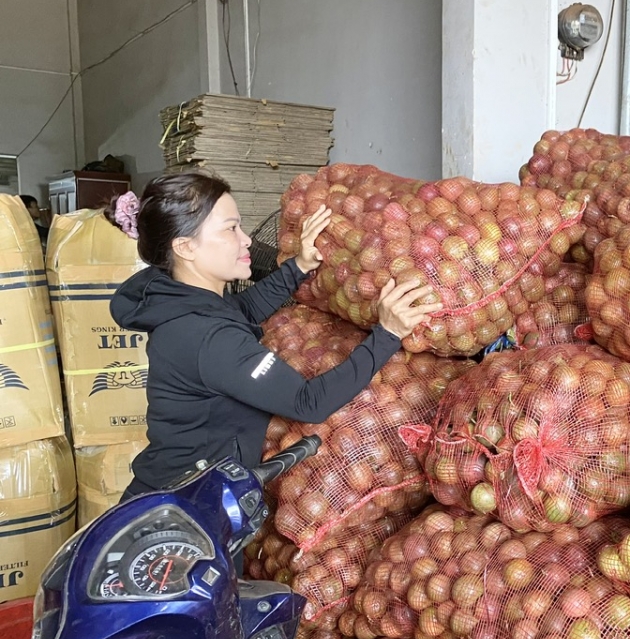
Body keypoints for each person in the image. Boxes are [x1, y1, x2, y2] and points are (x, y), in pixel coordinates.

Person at [108, 172, 441, 500]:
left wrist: (299, 266)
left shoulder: (184, 302)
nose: (246, 239)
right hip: (189, 506)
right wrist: (388, 334)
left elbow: (242, 311)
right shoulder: (208, 337)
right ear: (185, 247)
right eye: (230, 229)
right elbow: (309, 402)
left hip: (182, 489)